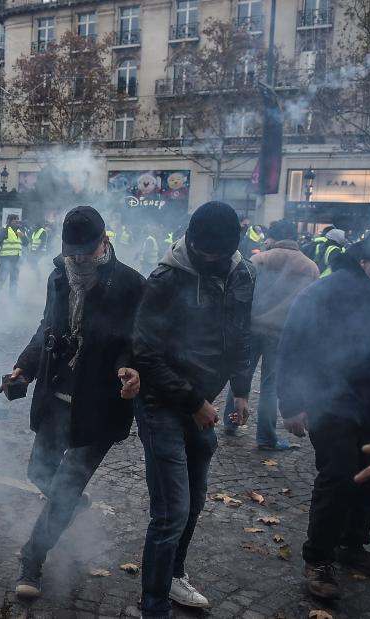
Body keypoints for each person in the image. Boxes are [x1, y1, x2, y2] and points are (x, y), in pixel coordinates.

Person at [5, 205, 144, 599]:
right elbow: (46, 327)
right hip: (56, 398)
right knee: (40, 473)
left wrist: (128, 369)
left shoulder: (131, 284)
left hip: (100, 405)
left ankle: (32, 560)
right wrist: (24, 368)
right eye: (74, 252)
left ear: (105, 240)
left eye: (87, 250)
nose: (80, 259)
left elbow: (136, 341)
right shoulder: (58, 276)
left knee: (64, 487)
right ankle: (72, 504)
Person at [132, 201, 255, 618]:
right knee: (172, 511)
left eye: (218, 255)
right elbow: (145, 353)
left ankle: (173, 576)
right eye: (204, 253)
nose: (210, 261)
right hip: (160, 403)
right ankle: (153, 608)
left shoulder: (242, 273)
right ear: (191, 242)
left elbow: (241, 334)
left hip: (202, 403)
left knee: (196, 500)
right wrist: (195, 401)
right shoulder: (165, 278)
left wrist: (240, 388)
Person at [278, 219, 370, 600]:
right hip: (327, 399)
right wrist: (291, 404)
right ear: (366, 262)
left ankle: (352, 545)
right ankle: (318, 559)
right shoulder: (323, 293)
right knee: (337, 477)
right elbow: (292, 345)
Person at [222, 219, 318, 449]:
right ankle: (266, 437)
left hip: (252, 328)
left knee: (240, 376)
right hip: (283, 334)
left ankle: (231, 421)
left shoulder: (259, 259)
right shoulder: (310, 267)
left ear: (273, 237)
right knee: (270, 386)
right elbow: (311, 307)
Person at [0, 214, 28, 296]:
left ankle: (12, 298)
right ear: (9, 221)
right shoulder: (5, 230)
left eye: (17, 220)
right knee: (2, 278)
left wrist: (23, 236)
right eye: (14, 220)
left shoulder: (19, 231)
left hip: (16, 259)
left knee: (14, 279)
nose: (16, 222)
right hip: (5, 258)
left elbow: (26, 243)